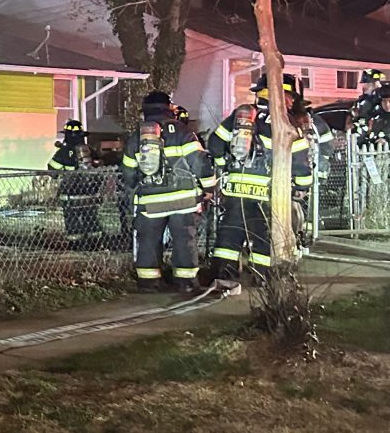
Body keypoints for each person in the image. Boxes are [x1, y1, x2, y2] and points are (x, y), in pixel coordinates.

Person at [207, 75, 313, 288]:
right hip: (267, 190)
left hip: (237, 187)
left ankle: (224, 275)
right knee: (262, 234)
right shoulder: (286, 122)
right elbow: (300, 160)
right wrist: (302, 185)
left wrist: (224, 166)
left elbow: (215, 142)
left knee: (231, 229)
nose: (292, 102)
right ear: (285, 96)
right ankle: (260, 277)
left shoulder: (241, 117)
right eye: (290, 97)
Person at [121, 91, 214, 293]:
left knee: (148, 241)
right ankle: (186, 283)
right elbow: (199, 162)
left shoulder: (137, 136)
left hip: (151, 201)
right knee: (184, 240)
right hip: (183, 201)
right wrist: (209, 188)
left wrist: (135, 191)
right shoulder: (182, 131)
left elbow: (128, 172)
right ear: (169, 109)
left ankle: (148, 283)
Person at [49, 119, 102, 247]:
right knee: (91, 218)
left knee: (72, 221)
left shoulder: (63, 152)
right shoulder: (90, 150)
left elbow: (52, 170)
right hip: (90, 194)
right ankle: (94, 244)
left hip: (70, 194)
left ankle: (76, 245)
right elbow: (100, 168)